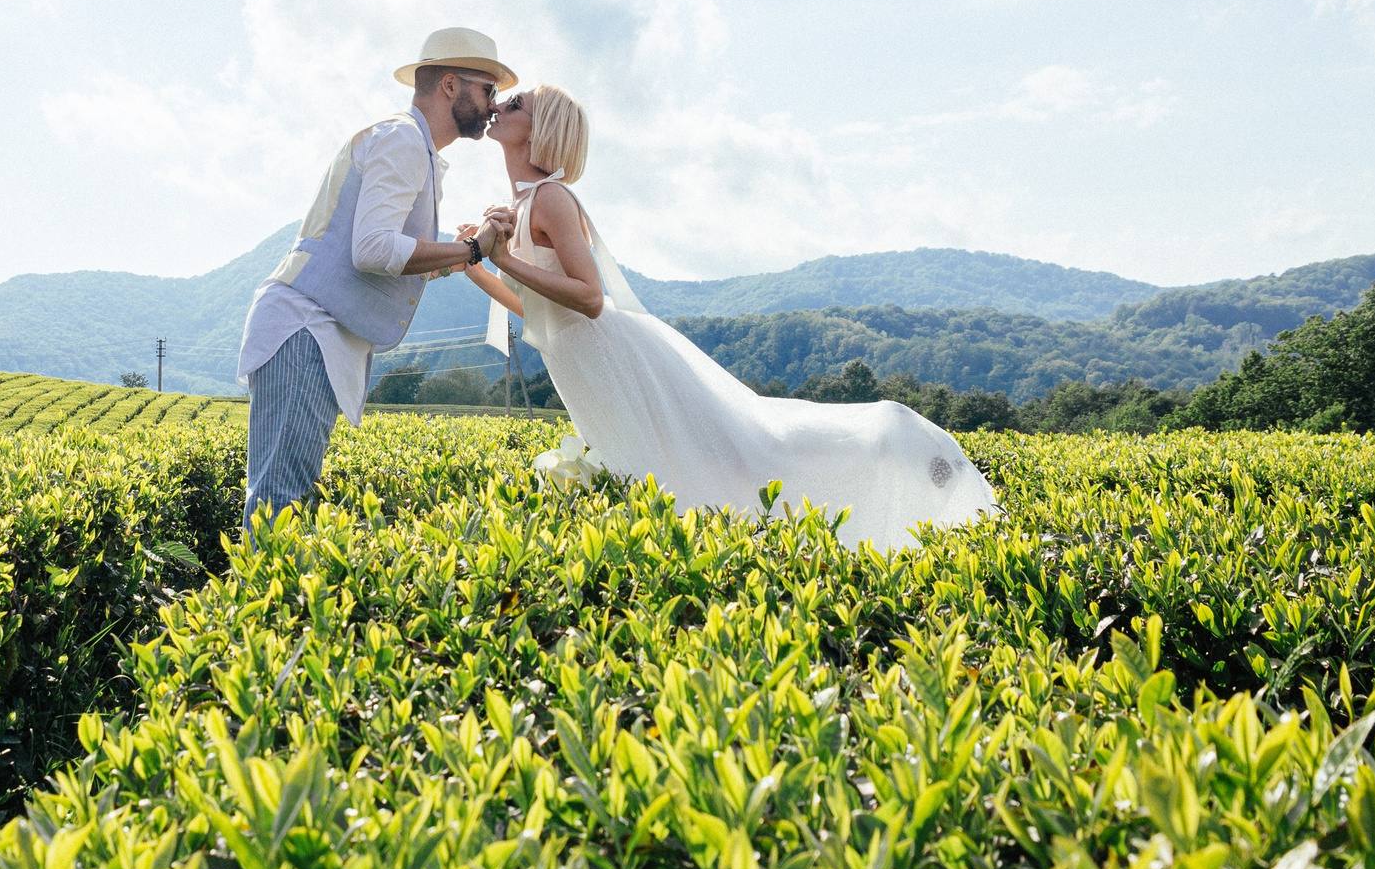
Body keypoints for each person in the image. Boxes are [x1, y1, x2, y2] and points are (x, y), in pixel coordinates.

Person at [461, 83, 996, 549]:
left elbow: (590, 296)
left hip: (614, 360)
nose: (500, 108)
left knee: (742, 453)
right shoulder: (526, 204)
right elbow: (538, 306)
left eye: (516, 103)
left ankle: (893, 442)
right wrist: (476, 266)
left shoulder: (551, 198)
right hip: (579, 364)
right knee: (675, 471)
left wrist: (503, 257)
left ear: (541, 130)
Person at [237, 27, 518, 526]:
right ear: (450, 85)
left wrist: (466, 253)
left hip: (314, 333)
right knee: (280, 501)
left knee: (282, 498)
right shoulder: (404, 142)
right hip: (307, 330)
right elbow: (372, 250)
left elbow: (386, 259)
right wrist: (471, 248)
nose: (495, 105)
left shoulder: (411, 145)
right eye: (488, 90)